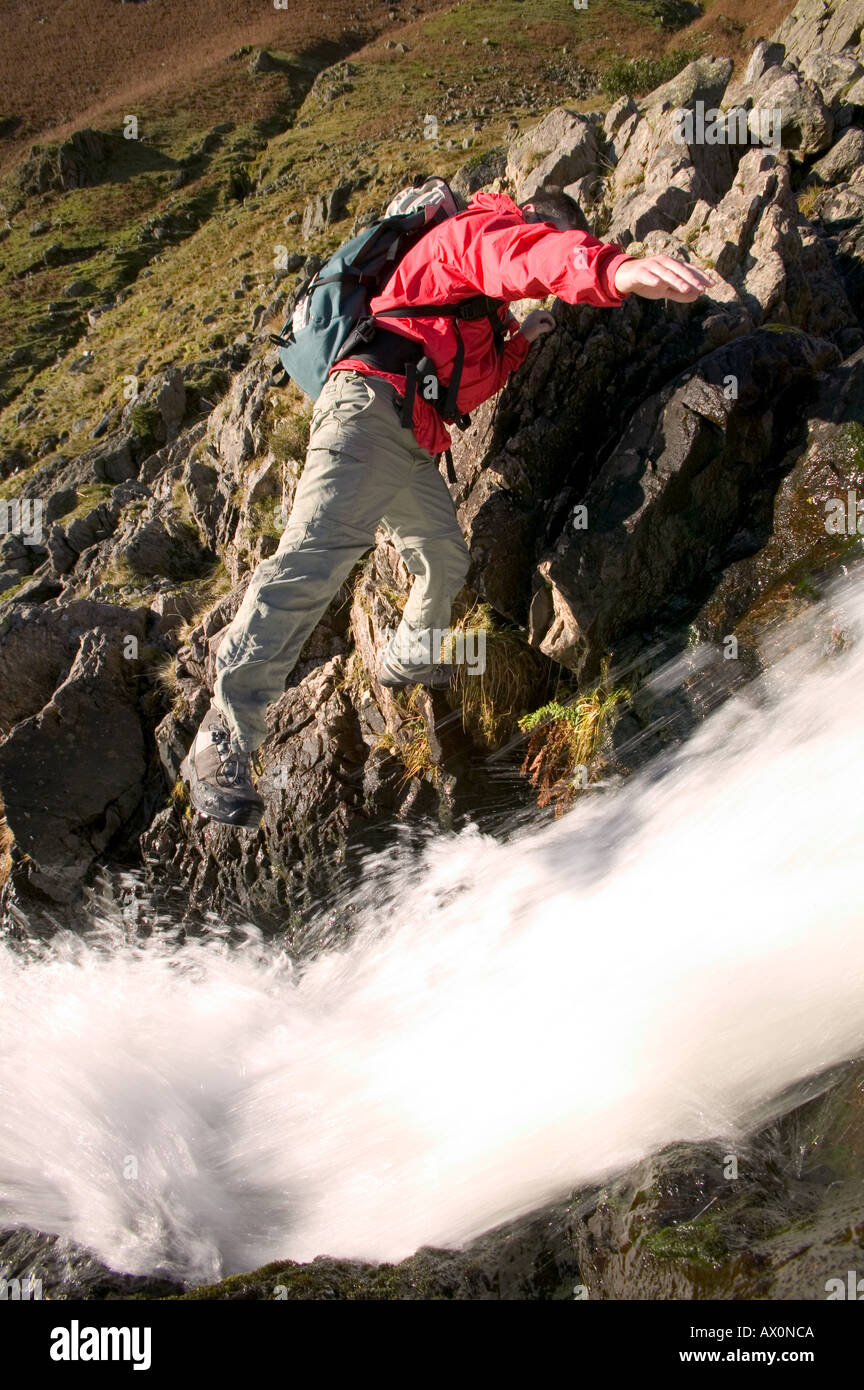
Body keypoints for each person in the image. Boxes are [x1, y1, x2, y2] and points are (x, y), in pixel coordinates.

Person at [181, 186, 713, 826]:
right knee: (314, 560)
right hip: (365, 413)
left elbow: (465, 368)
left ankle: (404, 660)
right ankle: (223, 735)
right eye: (555, 230)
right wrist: (610, 269)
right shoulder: (475, 232)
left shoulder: (480, 312)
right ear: (539, 218)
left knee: (442, 557)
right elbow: (517, 255)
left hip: (409, 442)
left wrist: (518, 343)